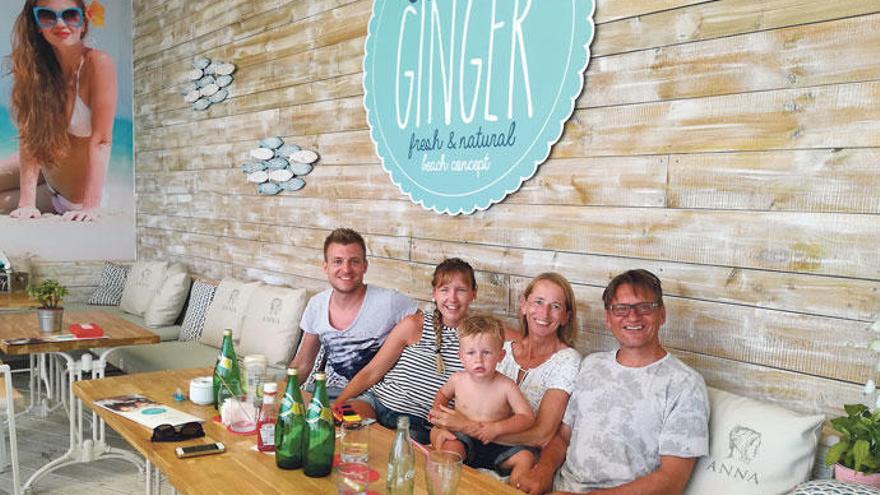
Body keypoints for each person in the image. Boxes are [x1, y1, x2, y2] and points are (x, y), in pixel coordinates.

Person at [519, 269, 709, 495]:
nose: (633, 317)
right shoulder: (592, 365)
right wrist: (543, 470)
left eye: (644, 307)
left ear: (662, 314)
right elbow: (563, 436)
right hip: (562, 488)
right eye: (621, 309)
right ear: (608, 318)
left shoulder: (685, 384)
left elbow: (671, 481)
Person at [430, 272, 582, 486]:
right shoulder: (500, 348)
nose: (544, 313)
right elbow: (473, 344)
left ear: (566, 316)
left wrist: (469, 427)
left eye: (555, 306)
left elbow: (542, 435)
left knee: (523, 459)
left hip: (513, 449)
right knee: (444, 446)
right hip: (468, 443)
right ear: (524, 305)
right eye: (538, 302)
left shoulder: (567, 360)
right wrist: (443, 425)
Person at [332, 257, 476, 444]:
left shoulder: (479, 336)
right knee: (339, 420)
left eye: (461, 290)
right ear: (434, 294)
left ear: (473, 294)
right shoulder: (414, 324)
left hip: (418, 424)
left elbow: (520, 340)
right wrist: (338, 403)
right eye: (444, 290)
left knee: (394, 453)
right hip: (376, 405)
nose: (452, 298)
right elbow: (372, 371)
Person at [0, 0, 116, 222]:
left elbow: (102, 141)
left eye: (70, 15)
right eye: (47, 16)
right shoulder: (35, 70)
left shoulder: (97, 64)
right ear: (36, 25)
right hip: (45, 167)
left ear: (84, 23)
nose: (60, 23)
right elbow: (30, 138)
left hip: (67, 196)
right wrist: (27, 203)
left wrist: (91, 207)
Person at [288, 228, 417, 403]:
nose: (346, 269)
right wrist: (283, 395)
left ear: (365, 266)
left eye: (354, 261)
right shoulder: (316, 304)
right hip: (327, 392)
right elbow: (303, 363)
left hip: (374, 398)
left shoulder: (390, 301)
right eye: (338, 261)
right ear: (325, 266)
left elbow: (427, 332)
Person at [430, 314, 537, 483]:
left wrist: (497, 428)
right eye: (471, 353)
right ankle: (445, 483)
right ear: (461, 356)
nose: (478, 359)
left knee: (526, 458)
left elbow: (526, 417)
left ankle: (516, 489)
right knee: (450, 447)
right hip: (464, 439)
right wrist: (438, 414)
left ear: (501, 356)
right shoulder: (457, 379)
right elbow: (443, 394)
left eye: (486, 352)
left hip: (498, 444)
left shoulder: (506, 386)